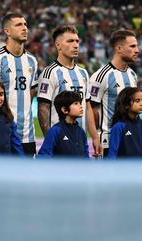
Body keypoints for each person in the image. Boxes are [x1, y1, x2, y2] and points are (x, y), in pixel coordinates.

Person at [0, 13, 38, 156]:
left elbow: (31, 91)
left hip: (27, 135)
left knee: (27, 176)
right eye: (19, 25)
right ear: (7, 31)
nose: (24, 28)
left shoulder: (32, 60)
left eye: (25, 24)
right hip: (1, 133)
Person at [37, 25, 101, 156]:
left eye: (77, 41)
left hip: (80, 141)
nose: (76, 45)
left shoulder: (83, 73)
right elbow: (43, 108)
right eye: (70, 41)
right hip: (61, 142)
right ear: (58, 45)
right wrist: (51, 141)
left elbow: (87, 107)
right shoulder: (50, 73)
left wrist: (95, 137)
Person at [89, 29, 139, 155]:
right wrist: (96, 137)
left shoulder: (132, 75)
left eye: (137, 46)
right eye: (132, 46)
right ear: (119, 48)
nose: (137, 50)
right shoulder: (101, 76)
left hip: (131, 139)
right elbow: (92, 111)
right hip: (108, 142)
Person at [107, 87, 142, 160]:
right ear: (126, 104)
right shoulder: (118, 127)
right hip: (123, 171)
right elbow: (112, 155)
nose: (141, 104)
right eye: (137, 101)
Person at [37, 90, 89, 158]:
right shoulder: (55, 131)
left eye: (80, 103)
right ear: (64, 110)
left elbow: (86, 157)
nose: (81, 106)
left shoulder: (81, 132)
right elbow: (44, 157)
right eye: (76, 103)